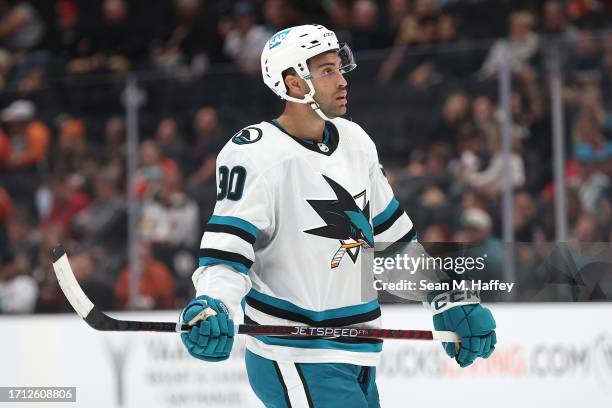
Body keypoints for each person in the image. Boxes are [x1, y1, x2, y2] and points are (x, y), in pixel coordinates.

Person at [179, 25, 497, 407]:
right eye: (327, 70)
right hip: (296, 354)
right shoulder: (253, 154)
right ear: (293, 84)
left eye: (339, 68)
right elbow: (227, 255)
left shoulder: (356, 142)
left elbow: (394, 247)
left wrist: (443, 295)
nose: (342, 80)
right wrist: (215, 302)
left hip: (358, 353)